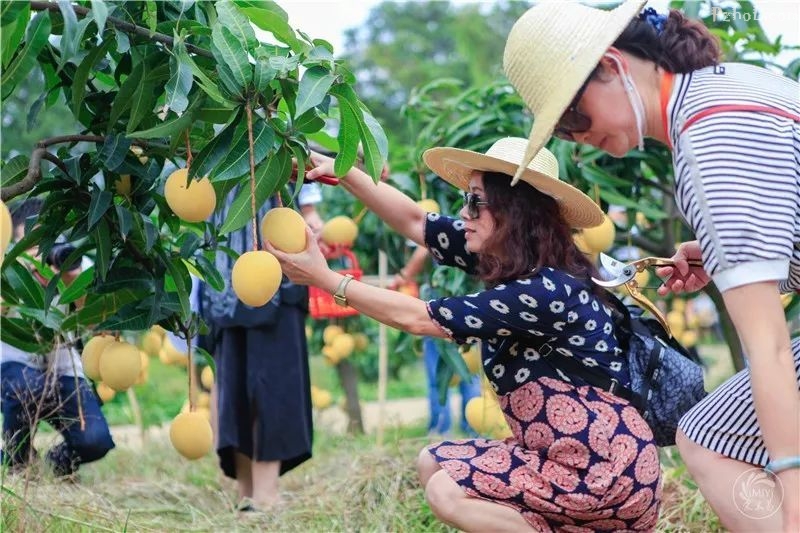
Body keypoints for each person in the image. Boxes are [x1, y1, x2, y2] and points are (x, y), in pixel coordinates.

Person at [502, 2, 800, 530]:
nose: (577, 138)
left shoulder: (708, 141)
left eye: (572, 118)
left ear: (612, 66)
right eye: (562, 133)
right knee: (707, 431)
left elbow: (768, 348)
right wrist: (729, 251)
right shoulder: (733, 86)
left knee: (709, 438)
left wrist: (792, 485)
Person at [269, 138, 662, 531]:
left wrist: (325, 279)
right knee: (433, 463)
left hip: (605, 470)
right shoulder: (512, 258)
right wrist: (341, 171)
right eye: (465, 199)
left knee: (448, 490)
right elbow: (415, 222)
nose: (463, 211)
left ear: (514, 212)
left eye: (475, 201)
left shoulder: (546, 290)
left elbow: (419, 318)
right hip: (567, 458)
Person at [198, 183, 323, 513]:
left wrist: (311, 213)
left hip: (269, 277)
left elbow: (311, 189)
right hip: (229, 278)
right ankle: (251, 493)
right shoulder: (213, 157)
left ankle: (262, 492)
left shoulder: (282, 158)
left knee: (267, 386)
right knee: (237, 388)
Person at [1, 198, 115, 479]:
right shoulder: (8, 270)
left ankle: (57, 464)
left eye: (47, 243)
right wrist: (18, 275)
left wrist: (71, 281)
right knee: (26, 387)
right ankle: (16, 461)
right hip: (12, 366)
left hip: (63, 366)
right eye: (31, 246)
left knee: (96, 440)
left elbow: (95, 323)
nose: (41, 255)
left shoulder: (76, 266)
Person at [390, 245, 480, 437]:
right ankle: (474, 429)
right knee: (470, 372)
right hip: (471, 308)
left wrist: (405, 275)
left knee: (438, 377)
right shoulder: (476, 234)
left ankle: (440, 429)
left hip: (441, 309)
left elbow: (424, 246)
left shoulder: (440, 231)